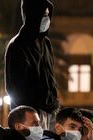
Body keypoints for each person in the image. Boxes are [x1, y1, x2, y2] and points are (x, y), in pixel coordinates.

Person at [5, 0, 59, 129]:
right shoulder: (17, 45)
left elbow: (50, 77)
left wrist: (53, 102)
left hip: (48, 112)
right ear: (32, 15)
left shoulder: (46, 43)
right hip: (28, 117)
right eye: (42, 15)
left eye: (47, 14)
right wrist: (30, 113)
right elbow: (14, 87)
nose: (46, 18)